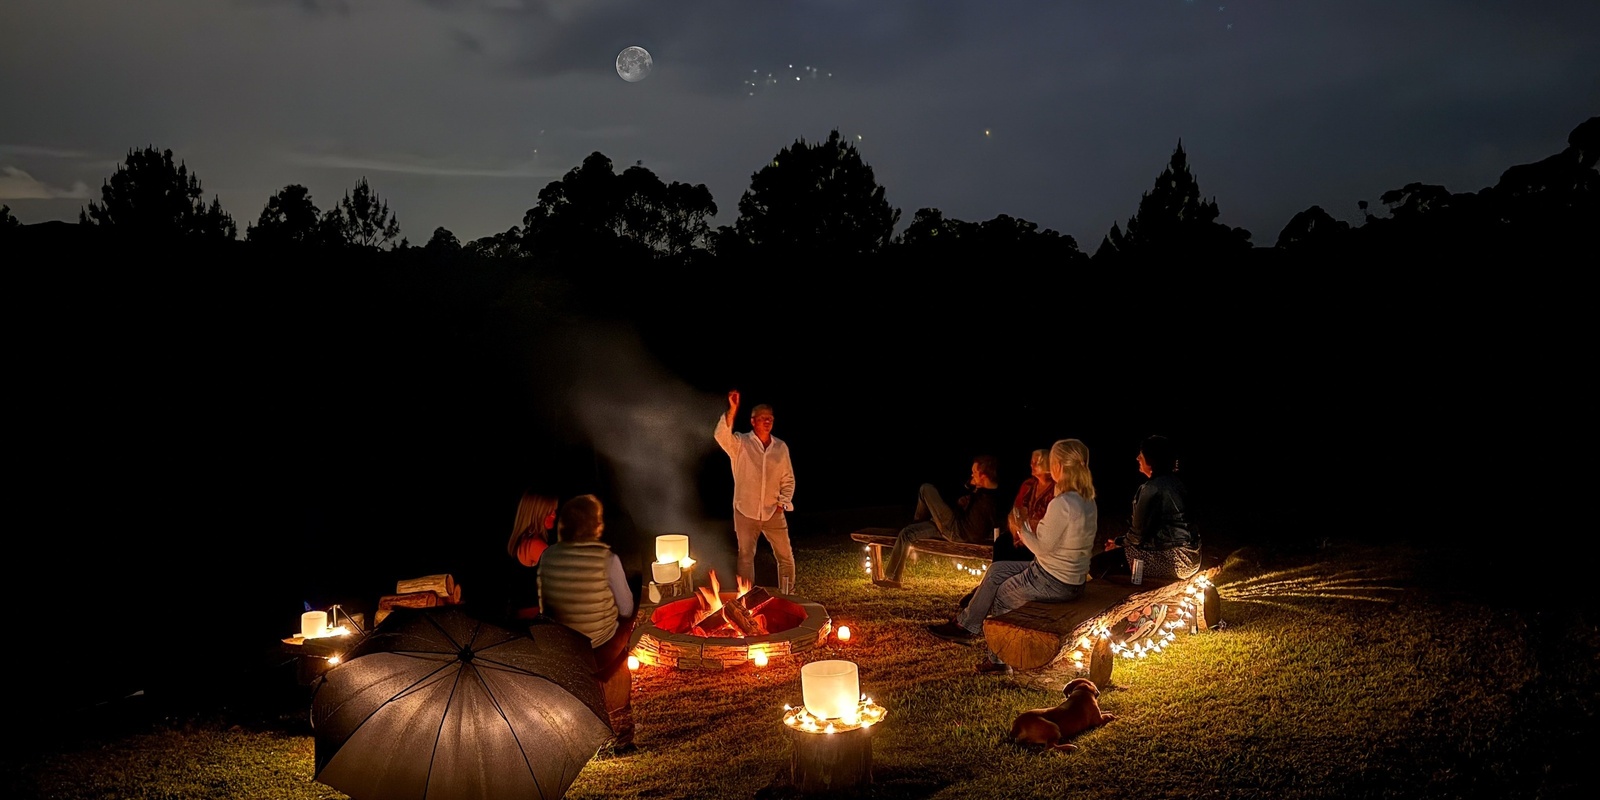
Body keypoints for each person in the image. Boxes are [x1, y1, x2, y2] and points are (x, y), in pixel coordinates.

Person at [927, 439, 1098, 676]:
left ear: (1059, 466)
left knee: (1001, 596)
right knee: (997, 571)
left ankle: (997, 661)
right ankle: (965, 626)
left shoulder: (1063, 503)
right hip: (1068, 579)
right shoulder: (1087, 500)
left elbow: (1041, 548)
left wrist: (1020, 527)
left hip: (1052, 581)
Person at [537, 494, 639, 747]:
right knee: (621, 639)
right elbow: (625, 607)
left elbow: (545, 606)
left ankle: (575, 730)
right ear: (595, 526)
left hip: (562, 645)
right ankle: (621, 733)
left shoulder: (547, 557)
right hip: (598, 647)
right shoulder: (607, 560)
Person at [876, 455, 1008, 588]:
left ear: (983, 476)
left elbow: (980, 530)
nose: (971, 475)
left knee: (926, 489)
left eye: (974, 473)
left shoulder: (989, 502)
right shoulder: (983, 489)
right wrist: (967, 501)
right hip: (955, 525)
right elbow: (970, 497)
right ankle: (893, 579)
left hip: (956, 530)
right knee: (907, 533)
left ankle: (918, 522)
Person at [714, 389, 797, 593]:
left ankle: (788, 595)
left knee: (785, 556)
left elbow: (788, 478)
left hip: (773, 511)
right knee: (745, 557)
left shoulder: (780, 447)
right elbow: (720, 435)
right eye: (762, 419)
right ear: (753, 421)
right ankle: (747, 598)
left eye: (770, 418)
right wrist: (732, 410)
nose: (767, 422)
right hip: (745, 511)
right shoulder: (741, 443)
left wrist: (782, 502)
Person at [1092, 435, 1199, 582]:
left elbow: (1137, 536)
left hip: (1172, 561)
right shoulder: (1177, 484)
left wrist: (1118, 544)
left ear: (1152, 460)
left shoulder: (1151, 488)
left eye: (1141, 455)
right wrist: (1120, 543)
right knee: (1115, 558)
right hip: (1192, 559)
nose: (1137, 458)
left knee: (1098, 565)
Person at [957, 449, 1051, 608]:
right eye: (1032, 460)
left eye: (1037, 461)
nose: (1032, 464)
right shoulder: (1028, 485)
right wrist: (1017, 530)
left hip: (1041, 538)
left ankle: (1004, 591)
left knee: (1023, 552)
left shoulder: (1056, 489)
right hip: (1022, 534)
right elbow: (1016, 510)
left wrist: (1029, 532)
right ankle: (989, 588)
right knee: (1002, 542)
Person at [503, 490, 558, 620]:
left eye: (554, 511)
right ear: (537, 513)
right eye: (549, 512)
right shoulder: (535, 545)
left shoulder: (523, 541)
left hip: (523, 618)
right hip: (534, 620)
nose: (554, 515)